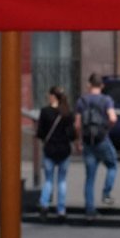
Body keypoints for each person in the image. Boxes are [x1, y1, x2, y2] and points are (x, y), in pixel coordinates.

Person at [74, 72, 117, 216]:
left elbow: (77, 125)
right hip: (102, 139)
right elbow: (113, 118)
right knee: (112, 165)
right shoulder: (106, 100)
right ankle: (106, 193)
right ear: (102, 86)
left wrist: (78, 141)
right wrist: (106, 129)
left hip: (88, 142)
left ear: (89, 85)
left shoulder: (81, 101)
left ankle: (90, 210)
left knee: (90, 178)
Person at [36, 85, 76, 221]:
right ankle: (61, 210)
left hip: (49, 149)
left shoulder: (45, 112)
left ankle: (44, 205)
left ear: (53, 96)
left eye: (49, 94)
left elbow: (40, 133)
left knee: (48, 180)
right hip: (64, 150)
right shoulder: (67, 112)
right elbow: (72, 134)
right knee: (62, 180)